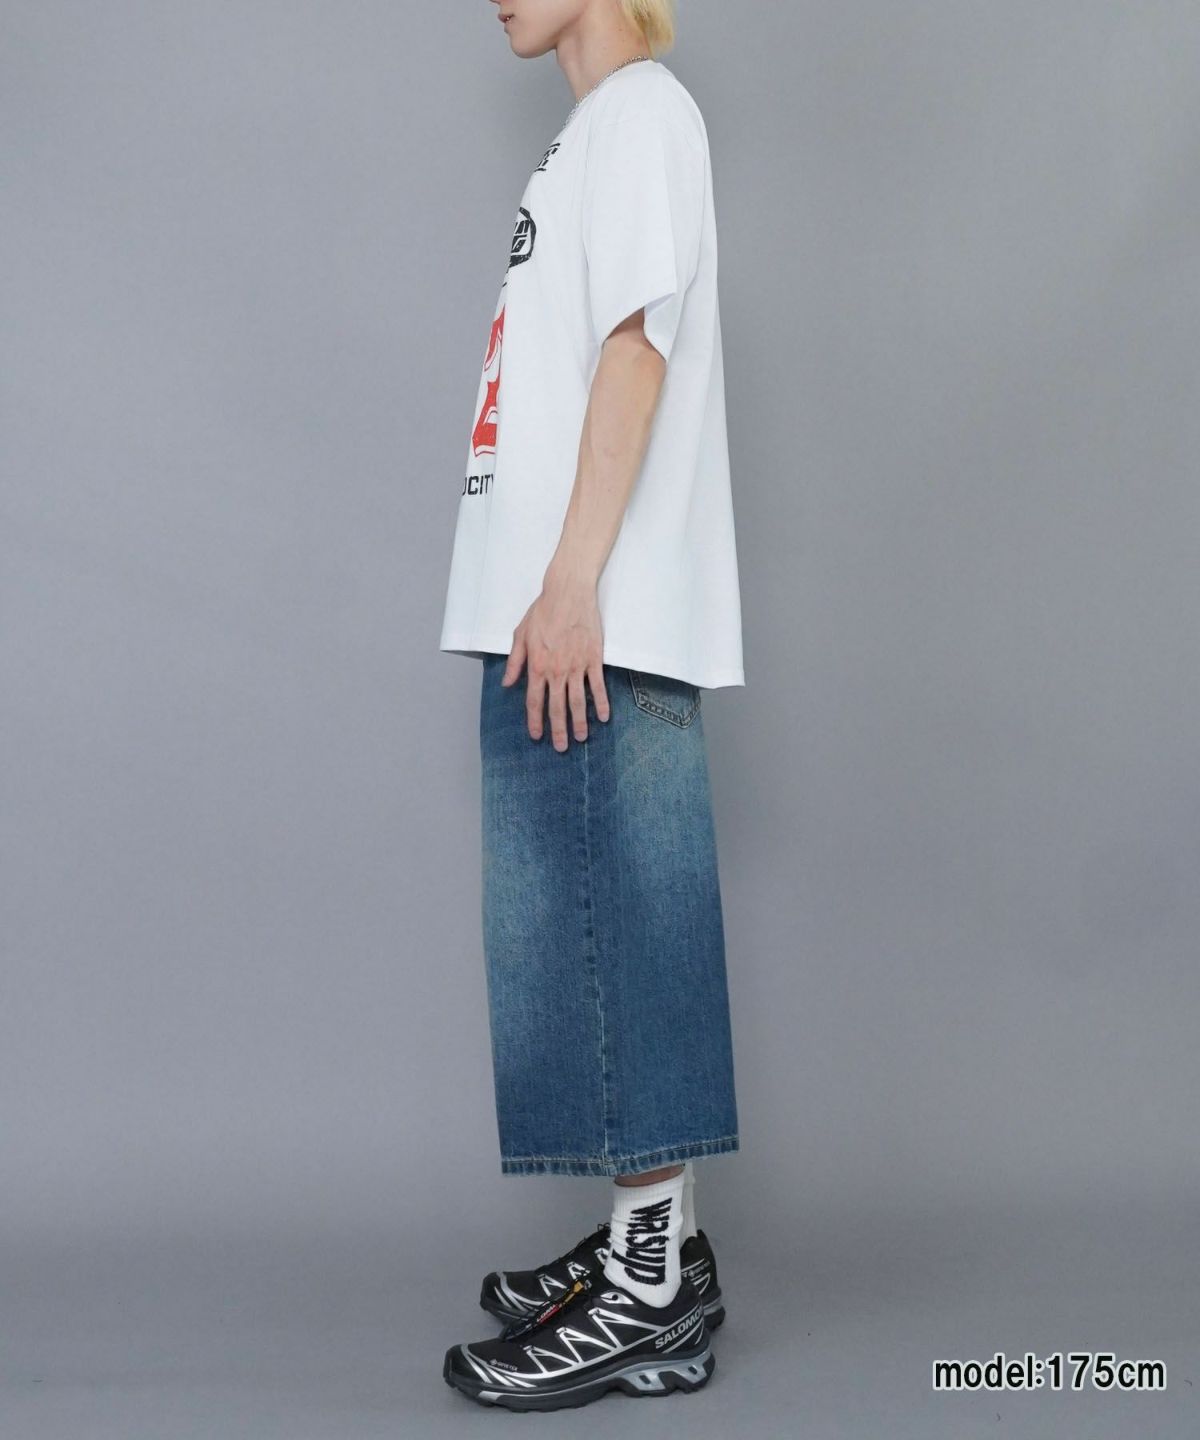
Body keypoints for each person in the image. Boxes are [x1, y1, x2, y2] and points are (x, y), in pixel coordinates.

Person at [437, 0, 745, 1411]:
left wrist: (571, 584)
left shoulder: (641, 116)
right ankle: (647, 1251)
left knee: (620, 935)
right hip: (555, 611)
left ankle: (649, 1292)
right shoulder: (591, 133)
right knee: (576, 942)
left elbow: (638, 347)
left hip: (589, 615)